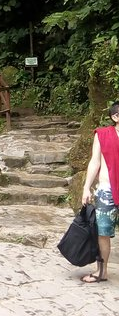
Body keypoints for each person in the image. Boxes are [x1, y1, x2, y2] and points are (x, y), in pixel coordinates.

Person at [80, 101, 119, 283]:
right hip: (106, 190)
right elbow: (94, 162)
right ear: (115, 117)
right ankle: (102, 272)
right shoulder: (102, 135)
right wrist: (86, 187)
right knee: (102, 232)